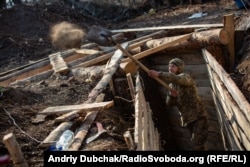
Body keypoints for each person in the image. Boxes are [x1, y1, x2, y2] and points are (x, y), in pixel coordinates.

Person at [148, 58, 209, 151]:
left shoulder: (186, 77)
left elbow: (177, 79)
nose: (170, 68)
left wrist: (159, 74)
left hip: (198, 117)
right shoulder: (171, 86)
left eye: (173, 66)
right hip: (188, 120)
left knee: (197, 145)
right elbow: (169, 103)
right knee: (198, 145)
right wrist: (172, 96)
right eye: (169, 66)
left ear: (179, 68)